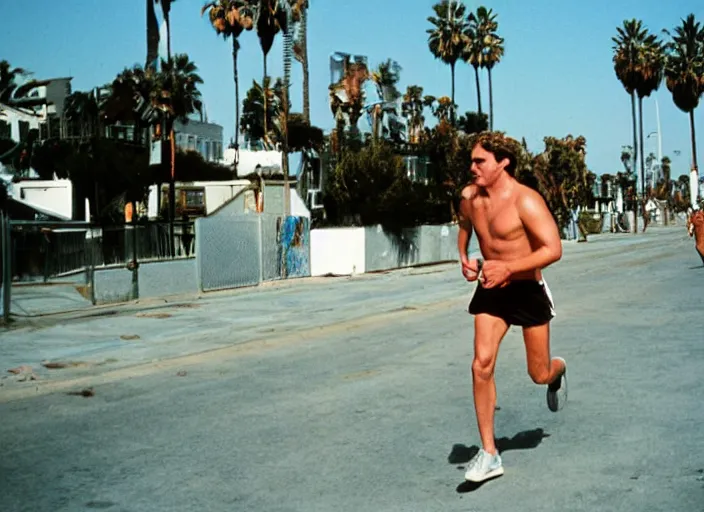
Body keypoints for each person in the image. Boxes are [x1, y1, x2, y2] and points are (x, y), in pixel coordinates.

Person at [457, 132, 567, 483]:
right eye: (471, 161)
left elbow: (553, 249)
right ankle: (489, 453)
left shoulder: (526, 200)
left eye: (480, 162)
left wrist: (509, 267)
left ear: (502, 162)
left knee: (538, 374)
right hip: (492, 288)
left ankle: (558, 370)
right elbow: (464, 227)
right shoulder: (469, 198)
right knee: (481, 363)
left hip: (527, 289)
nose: (472, 167)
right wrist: (464, 257)